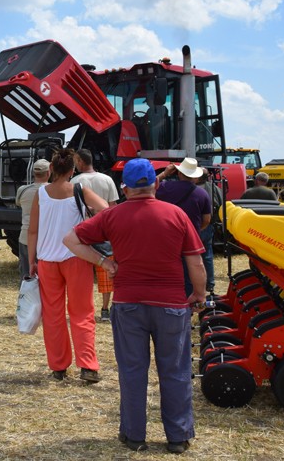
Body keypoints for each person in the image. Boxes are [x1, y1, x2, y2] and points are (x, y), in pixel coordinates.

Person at [63, 158, 206, 454]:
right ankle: (178, 437)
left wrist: (104, 262)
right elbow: (195, 261)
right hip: (170, 303)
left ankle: (134, 435)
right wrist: (199, 295)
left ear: (125, 188)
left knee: (132, 370)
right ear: (155, 184)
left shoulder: (113, 216)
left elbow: (71, 240)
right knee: (175, 370)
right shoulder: (176, 214)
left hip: (128, 303)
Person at [28, 148, 108, 383]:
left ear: (51, 169)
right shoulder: (79, 190)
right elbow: (106, 209)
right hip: (76, 257)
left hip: (46, 260)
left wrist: (32, 260)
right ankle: (88, 366)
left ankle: (59, 366)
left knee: (53, 315)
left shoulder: (41, 193)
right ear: (73, 170)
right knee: (82, 312)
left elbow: (32, 230)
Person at [70, 148, 119, 321]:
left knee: (83, 275)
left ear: (81, 162)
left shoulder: (75, 181)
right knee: (106, 274)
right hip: (104, 233)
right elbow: (113, 207)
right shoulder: (107, 180)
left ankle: (83, 307)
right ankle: (105, 309)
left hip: (83, 232)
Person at [156, 157, 211, 296]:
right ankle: (187, 306)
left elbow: (144, 187)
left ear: (179, 173)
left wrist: (164, 173)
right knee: (188, 273)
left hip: (165, 238)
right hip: (189, 239)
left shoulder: (164, 187)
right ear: (195, 176)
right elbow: (206, 220)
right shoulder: (202, 194)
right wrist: (195, 230)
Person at [16, 159, 50, 281]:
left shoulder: (22, 190)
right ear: (49, 172)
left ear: (33, 173)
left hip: (25, 236)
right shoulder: (53, 191)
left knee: (26, 275)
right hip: (47, 239)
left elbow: (18, 204)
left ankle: (26, 299)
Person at [197, 167, 221, 294]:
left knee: (193, 256)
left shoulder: (194, 190)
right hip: (210, 224)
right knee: (207, 255)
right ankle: (210, 284)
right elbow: (221, 203)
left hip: (198, 224)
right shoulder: (214, 188)